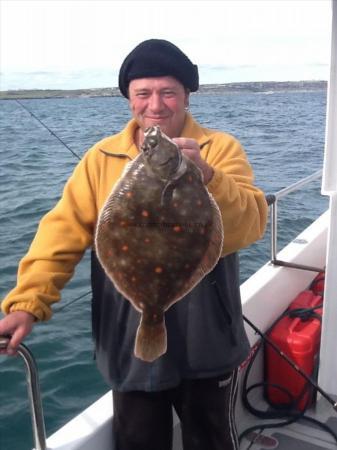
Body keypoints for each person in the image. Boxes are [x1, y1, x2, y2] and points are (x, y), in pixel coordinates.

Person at [0, 39, 268, 450]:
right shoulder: (100, 158)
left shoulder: (220, 149)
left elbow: (249, 226)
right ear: (128, 98)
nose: (155, 105)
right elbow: (61, 232)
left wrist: (208, 175)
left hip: (208, 333)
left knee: (212, 438)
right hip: (129, 335)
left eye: (168, 92)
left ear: (187, 96)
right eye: (143, 93)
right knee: (138, 440)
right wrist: (26, 304)